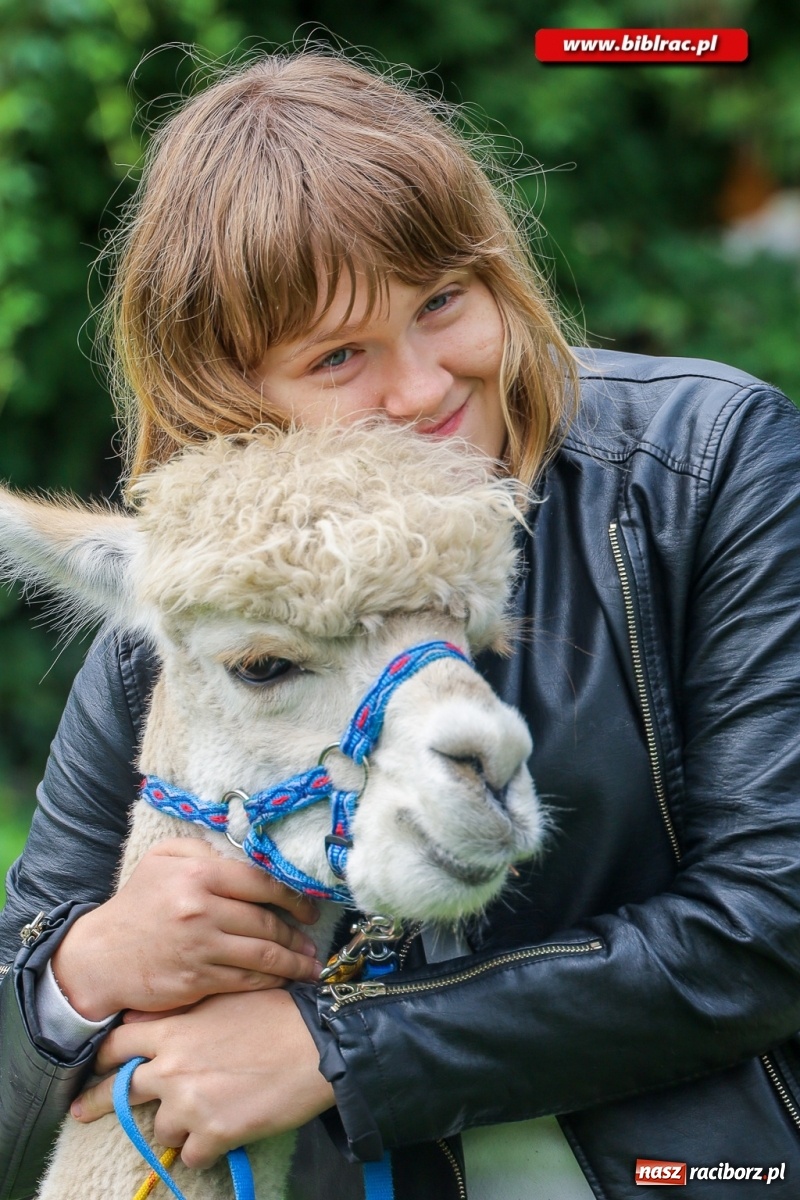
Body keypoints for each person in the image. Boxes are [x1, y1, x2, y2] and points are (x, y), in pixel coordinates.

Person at [2, 47, 800, 1200]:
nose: (424, 387)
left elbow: (771, 919)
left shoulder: (696, 471)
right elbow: (29, 998)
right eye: (338, 355)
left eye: (441, 302)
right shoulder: (209, 602)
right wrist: (85, 968)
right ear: (231, 391)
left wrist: (340, 1052)